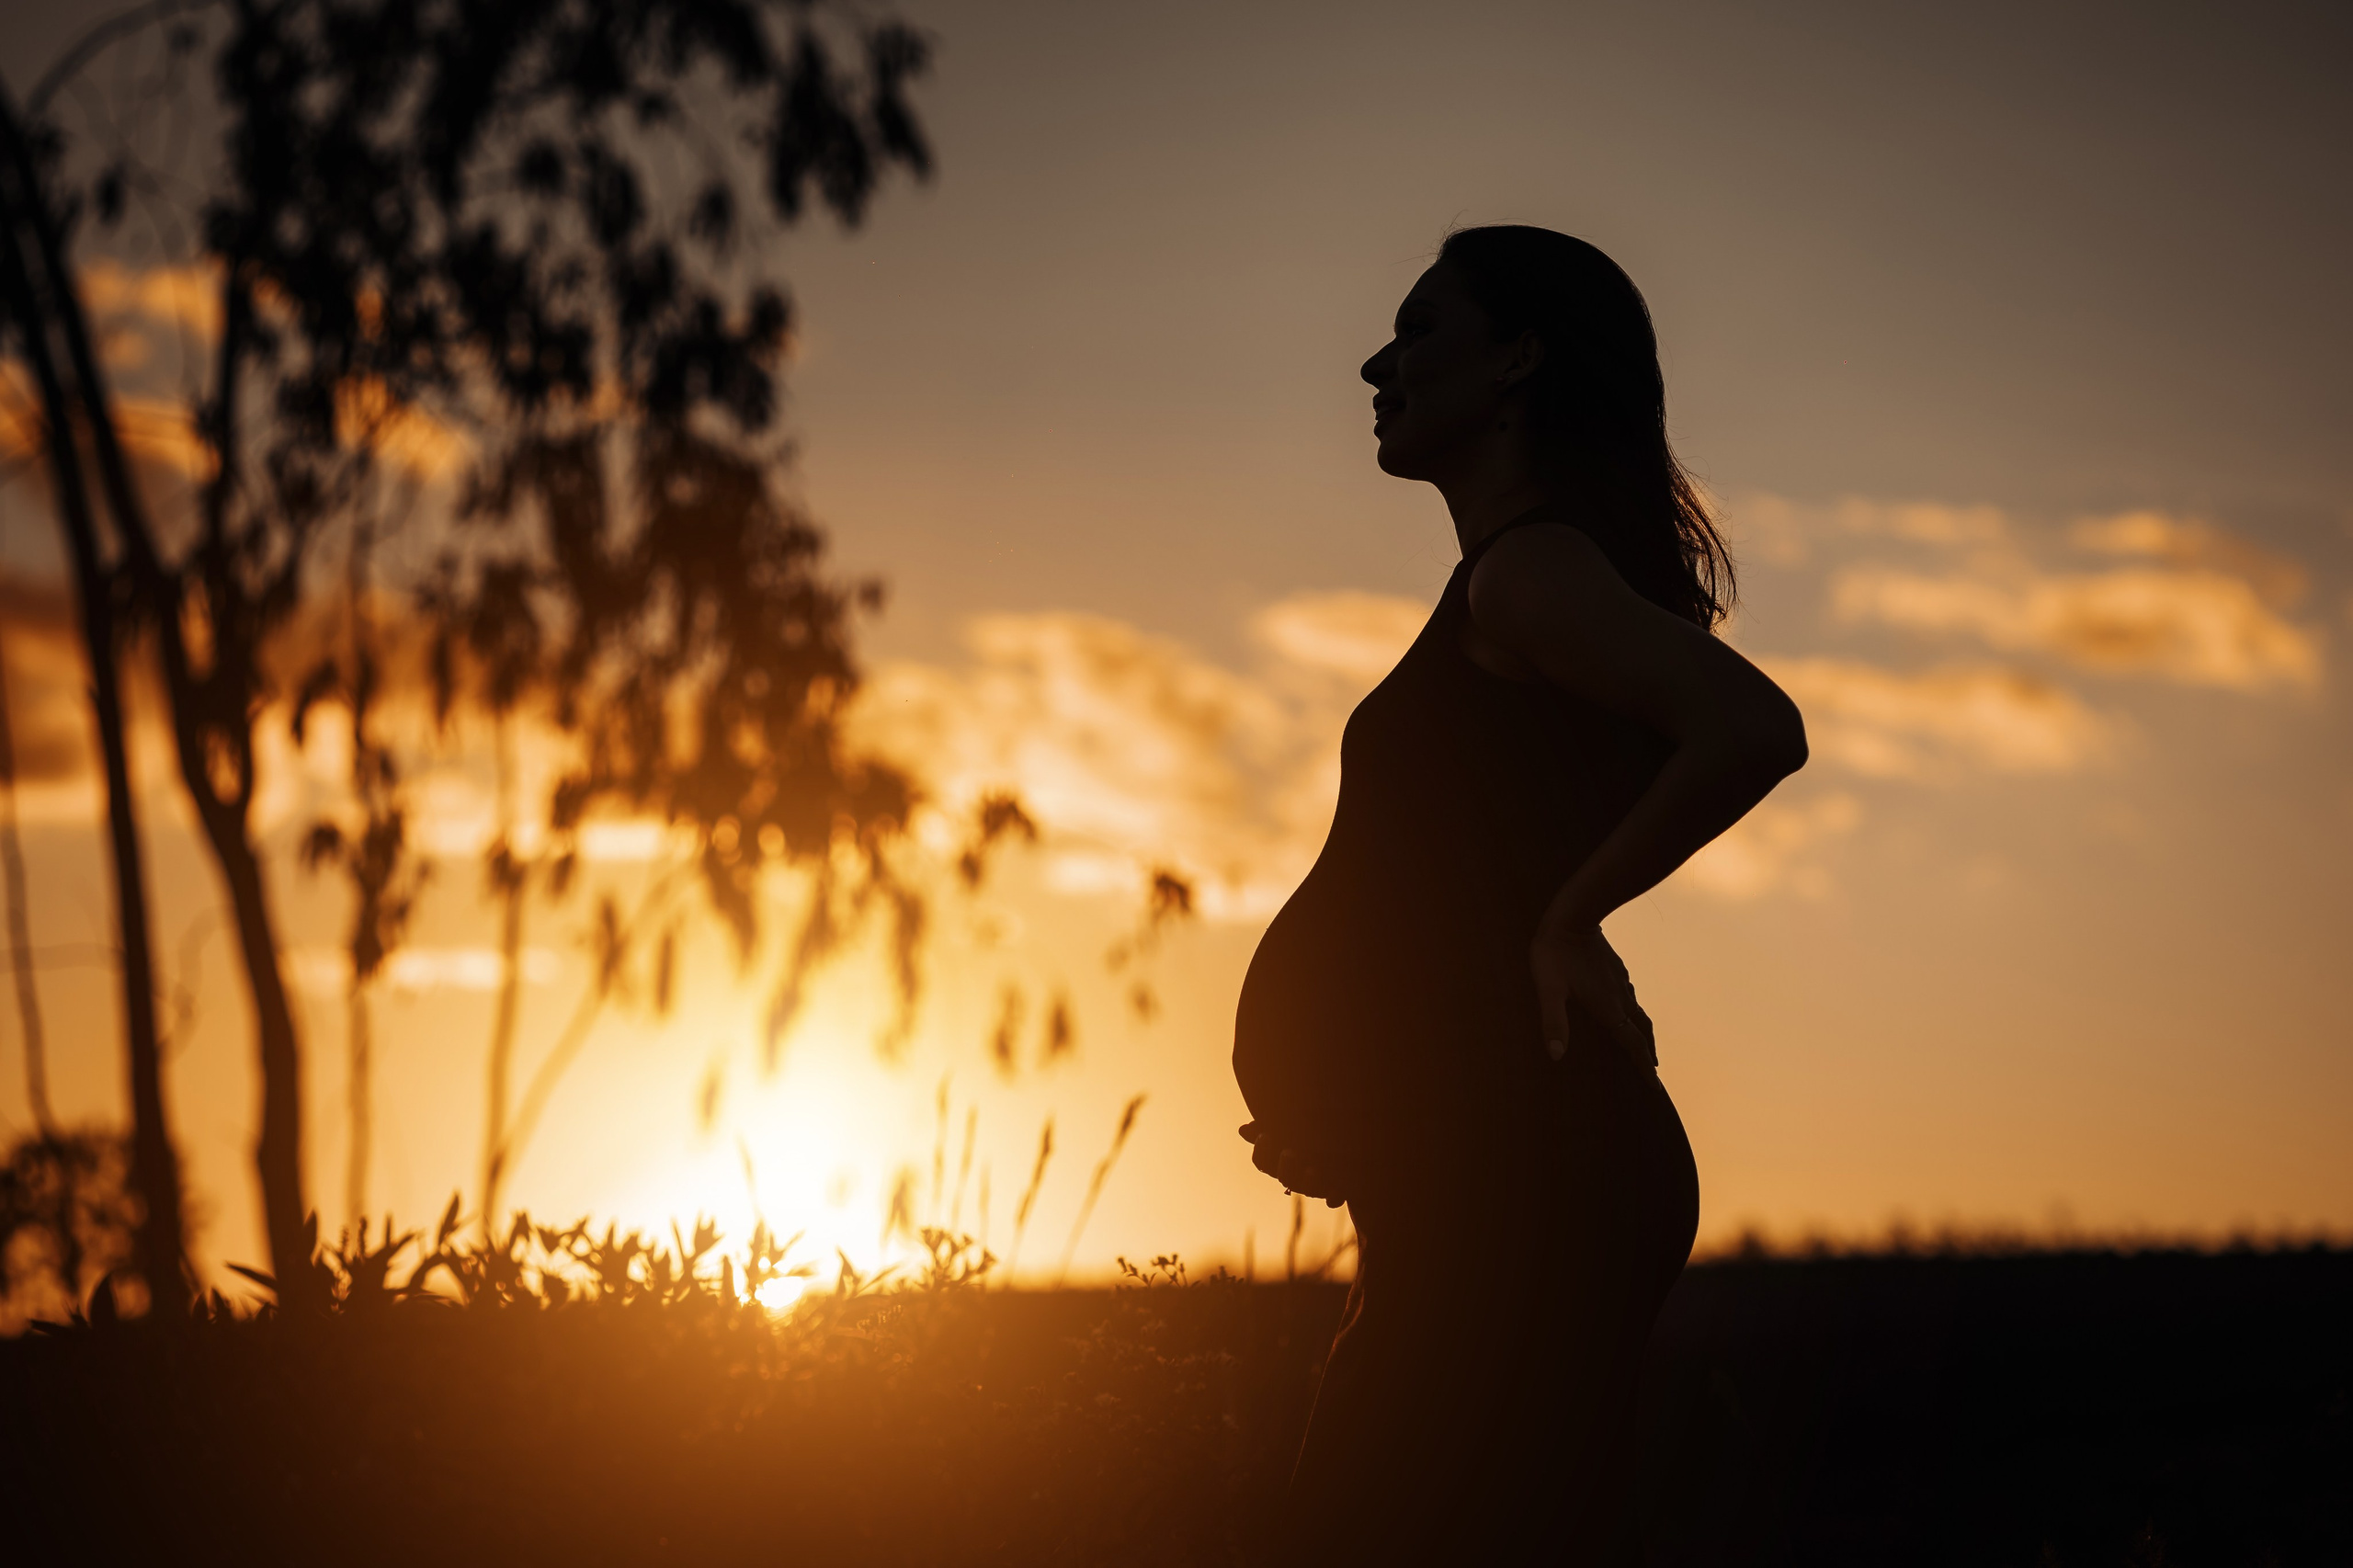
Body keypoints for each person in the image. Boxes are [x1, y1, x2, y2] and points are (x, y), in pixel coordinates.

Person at [1233, 225, 1808, 1564]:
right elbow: (1468, 874)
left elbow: (1754, 728)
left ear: (1517, 361)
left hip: (1530, 1179)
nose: (1379, 361)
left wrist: (1565, 921)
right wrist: (1353, 1102)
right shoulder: (1516, 578)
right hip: (1484, 1164)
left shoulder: (1528, 572)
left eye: (1419, 327)